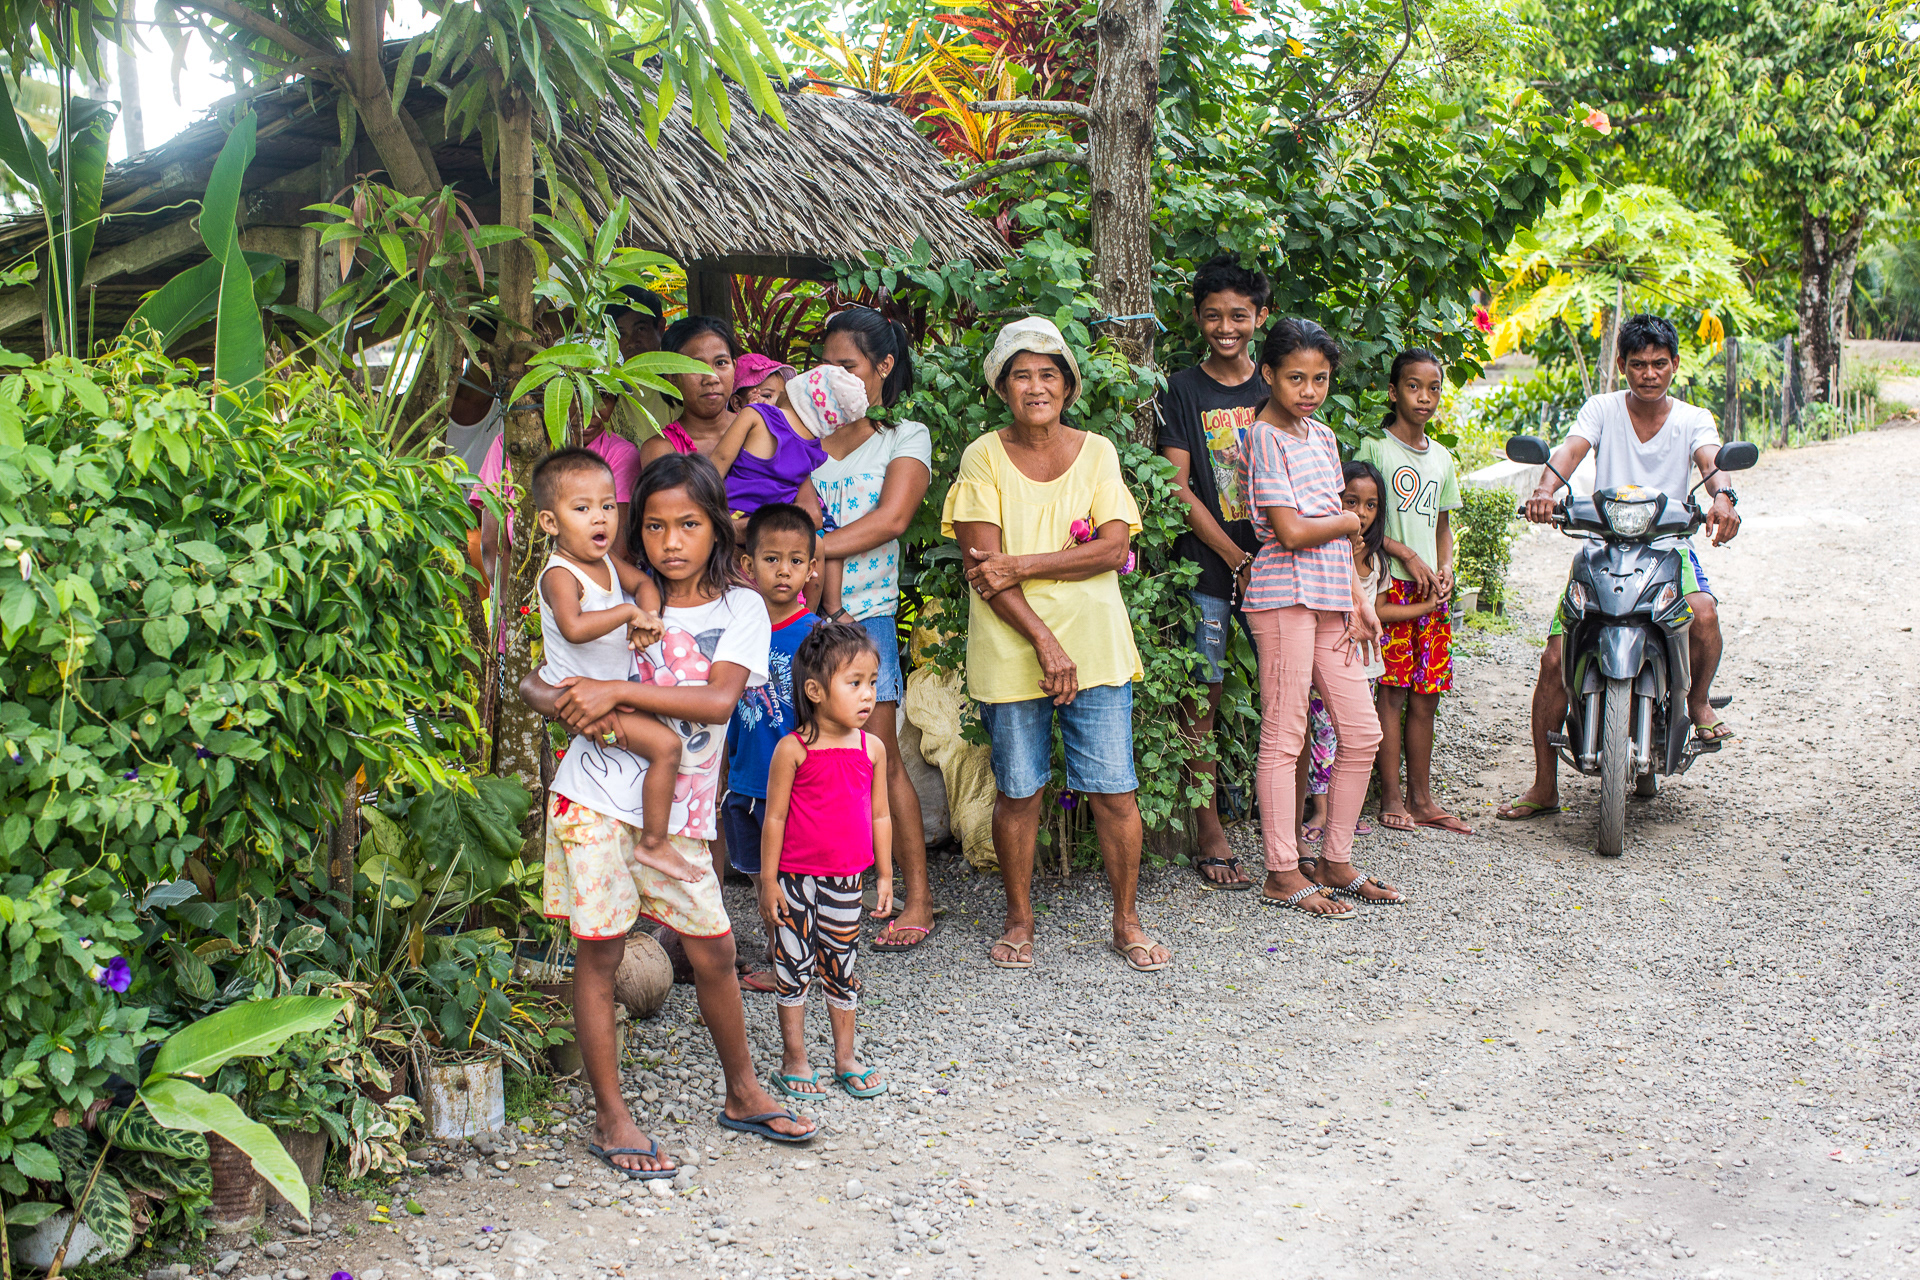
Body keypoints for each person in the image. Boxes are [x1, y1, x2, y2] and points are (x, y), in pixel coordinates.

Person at [518, 453, 817, 1157]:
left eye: (688, 524)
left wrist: (615, 694)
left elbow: (717, 700)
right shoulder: (615, 592)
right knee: (599, 955)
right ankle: (611, 1117)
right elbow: (542, 677)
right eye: (654, 526)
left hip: (678, 816)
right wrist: (564, 704)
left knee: (713, 950)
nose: (671, 541)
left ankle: (742, 1091)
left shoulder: (741, 606)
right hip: (594, 798)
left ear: (717, 527)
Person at [942, 317, 1170, 973]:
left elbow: (1114, 547)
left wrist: (1021, 564)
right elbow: (983, 569)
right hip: (1014, 646)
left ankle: (1127, 921)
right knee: (1018, 791)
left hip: (1095, 646)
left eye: (1048, 373)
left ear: (1068, 386)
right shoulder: (983, 455)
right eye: (1021, 374)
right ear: (1002, 387)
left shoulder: (1097, 451)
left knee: (1114, 791)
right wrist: (1043, 636)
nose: (1036, 386)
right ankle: (1019, 920)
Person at [1498, 314, 1743, 820]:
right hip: (1602, 545)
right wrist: (1545, 491)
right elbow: (1569, 452)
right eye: (1637, 364)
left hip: (1670, 546)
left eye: (1658, 363)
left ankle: (1696, 701)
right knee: (1551, 661)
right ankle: (1545, 786)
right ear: (1621, 365)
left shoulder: (1693, 417)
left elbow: (1711, 462)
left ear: (1675, 364)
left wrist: (1723, 498)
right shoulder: (1602, 409)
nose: (1648, 373)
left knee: (1706, 614)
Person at [1241, 319, 1397, 918]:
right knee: (1284, 737)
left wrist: (1360, 602)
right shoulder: (1263, 438)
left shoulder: (1323, 437)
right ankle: (1282, 870)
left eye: (1321, 379)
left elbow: (1324, 534)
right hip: (1282, 599)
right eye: (1297, 377)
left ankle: (1335, 860)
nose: (1309, 390)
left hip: (1333, 599)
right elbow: (1291, 531)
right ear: (1269, 374)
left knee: (1362, 732)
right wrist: (1348, 522)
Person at [810, 308, 940, 953]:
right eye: (827, 365)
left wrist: (813, 550)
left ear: (882, 369)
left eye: (849, 366)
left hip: (869, 621)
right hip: (799, 620)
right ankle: (820, 903)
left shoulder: (903, 438)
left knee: (879, 760)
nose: (835, 378)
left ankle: (917, 895)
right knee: (803, 761)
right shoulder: (798, 438)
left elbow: (890, 520)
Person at [1156, 255, 1273, 891]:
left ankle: (1286, 827)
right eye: (1212, 315)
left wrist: (1266, 557)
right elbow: (1176, 486)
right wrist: (1235, 558)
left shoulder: (1275, 387)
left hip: (1280, 566)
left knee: (1284, 692)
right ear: (1198, 318)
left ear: (1259, 316)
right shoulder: (1184, 390)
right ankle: (1209, 828)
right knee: (1202, 696)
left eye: (1238, 315)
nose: (1225, 327)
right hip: (1208, 567)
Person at [757, 622, 894, 1100]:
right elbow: (773, 818)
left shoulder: (870, 748)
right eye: (854, 683)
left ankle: (845, 1057)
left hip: (846, 879)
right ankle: (793, 1059)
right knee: (792, 966)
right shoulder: (792, 749)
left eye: (873, 682)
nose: (868, 695)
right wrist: (768, 881)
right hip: (795, 880)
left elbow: (880, 813)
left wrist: (885, 874)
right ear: (815, 691)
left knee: (841, 964)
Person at [531, 447, 682, 870]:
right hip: (581, 697)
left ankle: (642, 835)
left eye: (605, 505)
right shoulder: (560, 574)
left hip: (610, 694)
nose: (600, 517)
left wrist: (648, 615)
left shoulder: (606, 561)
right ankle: (654, 843)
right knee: (667, 747)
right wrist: (628, 612)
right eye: (582, 508)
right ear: (550, 522)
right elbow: (574, 627)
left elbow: (645, 585)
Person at [1357, 348, 1471, 835]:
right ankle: (1392, 796)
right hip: (1391, 593)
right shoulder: (1375, 449)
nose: (1424, 398)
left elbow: (1443, 526)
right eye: (1412, 386)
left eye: (1433, 388)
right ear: (1393, 391)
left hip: (1432, 597)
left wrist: (1445, 567)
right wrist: (1406, 553)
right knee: (1393, 694)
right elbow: (1359, 521)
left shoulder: (1443, 458)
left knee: (1428, 697)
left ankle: (1423, 799)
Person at [723, 503, 824, 993]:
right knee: (765, 878)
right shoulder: (737, 629)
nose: (783, 571)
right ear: (748, 565)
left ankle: (801, 965)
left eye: (795, 561)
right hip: (746, 777)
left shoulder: (815, 639)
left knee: (792, 878)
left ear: (811, 569)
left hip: (795, 789)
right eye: (770, 559)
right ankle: (782, 955)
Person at [1297, 461, 1389, 845]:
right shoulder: (1328, 552)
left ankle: (1342, 813)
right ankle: (1320, 809)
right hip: (1333, 654)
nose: (1360, 514)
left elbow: (1378, 609)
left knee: (1355, 736)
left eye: (1370, 506)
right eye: (1351, 502)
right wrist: (1346, 554)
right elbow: (1330, 594)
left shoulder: (1378, 560)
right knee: (1323, 736)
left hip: (1366, 664)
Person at [471, 394, 643, 585]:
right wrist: (514, 605)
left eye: (604, 398)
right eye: (576, 395)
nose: (590, 412)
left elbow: (620, 553)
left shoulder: (620, 455)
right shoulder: (511, 446)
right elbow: (492, 543)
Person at [639, 316, 742, 466]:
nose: (711, 378)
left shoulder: (756, 428)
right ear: (673, 377)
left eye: (721, 363)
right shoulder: (661, 449)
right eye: (695, 367)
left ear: (734, 367)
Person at [729, 353, 797, 413]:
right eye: (767, 396)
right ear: (737, 404)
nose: (777, 402)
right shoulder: (734, 425)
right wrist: (750, 413)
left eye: (781, 397)